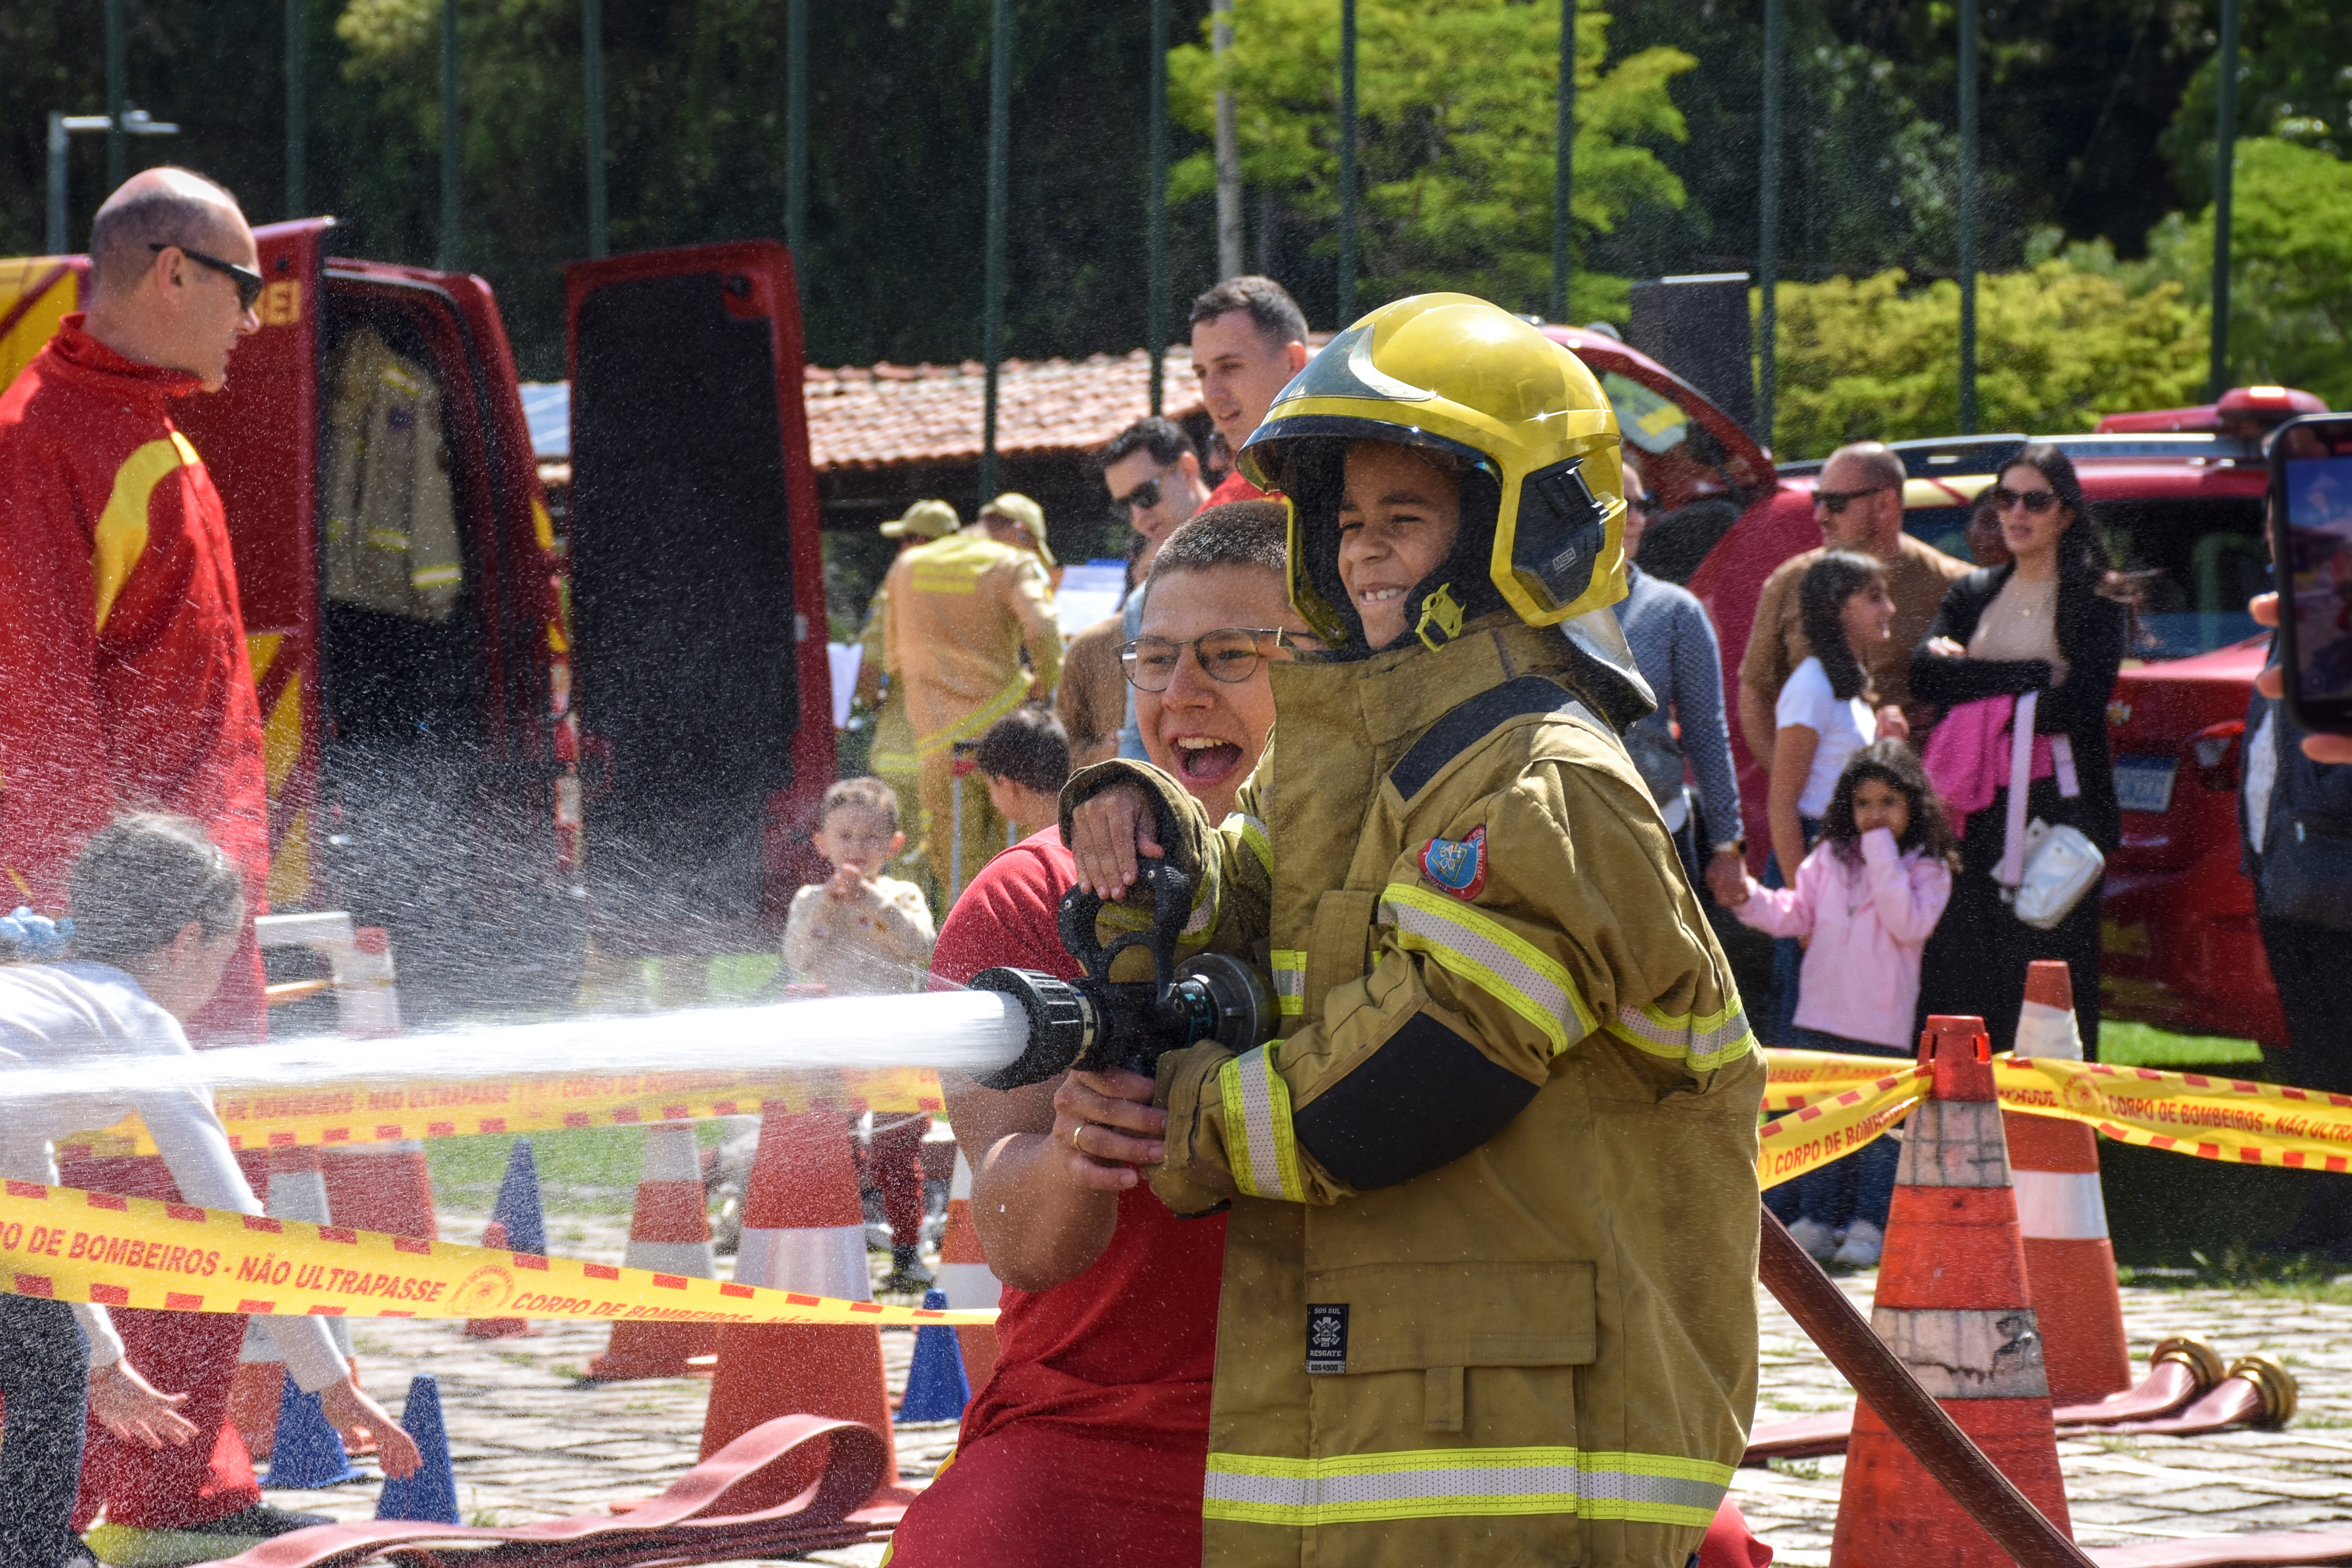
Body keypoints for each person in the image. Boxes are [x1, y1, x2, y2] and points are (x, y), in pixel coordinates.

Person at [1063, 296, 1761, 1565]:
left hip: (1523, 1449)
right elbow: (1250, 899)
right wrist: (1146, 854)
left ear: (1524, 526)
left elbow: (1421, 1071)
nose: (1366, 553)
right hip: (1392, 1414)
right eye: (1344, 525)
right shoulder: (1347, 768)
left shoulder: (1540, 781)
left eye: (1406, 519)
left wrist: (1187, 1112)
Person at [889, 502, 1314, 1568]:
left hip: (1377, 1413)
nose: (1181, 695)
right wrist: (1084, 1147)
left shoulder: (1405, 864)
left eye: (1230, 657)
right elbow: (1019, 1234)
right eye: (1155, 661)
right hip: (1106, 1424)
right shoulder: (1029, 900)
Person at [0, 167, 303, 1550]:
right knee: (132, 1200)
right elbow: (37, 708)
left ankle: (184, 1476)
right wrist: (81, 938)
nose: (259, 316)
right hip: (122, 935)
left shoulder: (154, 441)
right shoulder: (46, 442)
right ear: (172, 272)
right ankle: (127, 1499)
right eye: (246, 289)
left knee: (188, 1190)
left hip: (187, 920)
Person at [0, 817, 421, 1567]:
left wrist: (101, 1358)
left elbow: (33, 1212)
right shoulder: (139, 1020)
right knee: (40, 1356)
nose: (220, 979)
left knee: (44, 1347)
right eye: (227, 955)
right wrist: (333, 1386)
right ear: (186, 940)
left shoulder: (44, 999)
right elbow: (240, 1234)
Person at [1913, 444, 2129, 1056]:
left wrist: (1980, 681)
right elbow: (1926, 677)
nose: (2016, 512)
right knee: (1970, 972)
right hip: (1973, 812)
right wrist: (2031, 676)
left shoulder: (2096, 599)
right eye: (2004, 498)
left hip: (2058, 809)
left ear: (2065, 513)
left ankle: (2058, 1134)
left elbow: (2079, 703)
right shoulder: (1972, 592)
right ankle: (1976, 1123)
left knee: (2050, 972)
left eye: (2035, 500)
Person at [1725, 740, 1956, 1266]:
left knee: (1876, 1137)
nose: (1874, 815)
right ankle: (1814, 1220)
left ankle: (1868, 1225)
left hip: (1879, 1027)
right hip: (1819, 1017)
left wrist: (1880, 852)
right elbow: (1795, 914)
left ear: (1912, 806)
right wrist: (1748, 899)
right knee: (1819, 1125)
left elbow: (1908, 922)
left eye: (1888, 803)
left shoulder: (1928, 868)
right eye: (1863, 804)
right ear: (1846, 809)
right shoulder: (1830, 857)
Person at [781, 777, 936, 1293]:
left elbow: (919, 947)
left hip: (895, 1043)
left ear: (893, 846)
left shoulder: (903, 894)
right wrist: (829, 906)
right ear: (822, 843)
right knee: (838, 1146)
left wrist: (872, 900)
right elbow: (799, 958)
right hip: (834, 1043)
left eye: (870, 839)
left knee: (898, 1148)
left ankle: (908, 1251)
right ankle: (838, 1249)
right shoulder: (808, 899)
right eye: (845, 837)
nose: (857, 849)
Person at [1739, 442, 1969, 766]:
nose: (1820, 515)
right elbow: (1755, 697)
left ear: (1885, 505)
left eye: (1835, 503)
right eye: (1818, 500)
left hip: (1917, 802)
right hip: (1824, 807)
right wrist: (1793, 789)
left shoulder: (1954, 585)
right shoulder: (1790, 583)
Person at [878, 499, 1063, 901]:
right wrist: (1044, 686)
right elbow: (1043, 629)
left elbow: (892, 658)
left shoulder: (907, 567)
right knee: (1020, 863)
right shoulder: (1014, 563)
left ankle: (962, 955)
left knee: (957, 875)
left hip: (937, 748)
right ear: (1021, 533)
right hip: (1008, 742)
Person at [1611, 459, 1746, 902]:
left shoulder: (1674, 610)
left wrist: (1728, 844)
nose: (1636, 518)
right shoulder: (1539, 611)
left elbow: (1706, 731)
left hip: (1661, 829)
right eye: (1619, 503)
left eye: (1642, 504)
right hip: (1565, 837)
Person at [1093, 417, 1215, 762]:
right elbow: (1140, 735)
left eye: (1145, 495)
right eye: (1124, 505)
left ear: (1188, 470)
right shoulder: (1141, 604)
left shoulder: (1266, 554)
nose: (1137, 516)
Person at [856, 500, 964, 888]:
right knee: (961, 857)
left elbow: (868, 667)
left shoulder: (897, 588)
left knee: (905, 863)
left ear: (918, 541)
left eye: (904, 539)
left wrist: (873, 701)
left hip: (906, 748)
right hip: (964, 747)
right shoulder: (974, 586)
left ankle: (915, 947)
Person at [1188, 276, 1309, 507]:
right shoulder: (1219, 516)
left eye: (1229, 366)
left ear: (1292, 363)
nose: (1212, 395)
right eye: (1202, 373)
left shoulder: (1369, 463)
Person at [974, 707, 1073, 843]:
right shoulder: (1086, 829)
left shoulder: (1038, 852)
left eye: (990, 788)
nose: (993, 802)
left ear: (1006, 784)